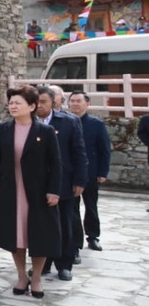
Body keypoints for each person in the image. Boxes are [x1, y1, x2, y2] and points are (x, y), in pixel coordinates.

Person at [0, 85, 61, 299]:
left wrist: (54, 190)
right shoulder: (3, 129)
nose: (13, 106)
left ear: (31, 106)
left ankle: (36, 278)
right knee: (15, 235)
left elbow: (56, 164)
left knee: (39, 236)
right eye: (11, 103)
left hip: (37, 193)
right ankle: (21, 275)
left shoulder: (45, 132)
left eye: (18, 103)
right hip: (10, 190)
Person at [35, 86, 87, 281]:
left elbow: (79, 153)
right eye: (36, 102)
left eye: (43, 102)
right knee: (41, 226)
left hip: (63, 182)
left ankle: (65, 264)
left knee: (64, 224)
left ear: (53, 103)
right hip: (36, 183)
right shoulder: (27, 123)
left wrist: (80, 180)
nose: (39, 106)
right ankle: (43, 263)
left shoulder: (68, 122)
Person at [73, 92, 110, 251]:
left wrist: (103, 172)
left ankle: (93, 236)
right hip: (72, 173)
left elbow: (104, 149)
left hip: (91, 172)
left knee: (91, 206)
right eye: (72, 101)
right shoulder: (66, 122)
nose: (75, 104)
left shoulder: (96, 124)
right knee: (72, 209)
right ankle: (75, 241)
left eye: (78, 101)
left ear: (87, 103)